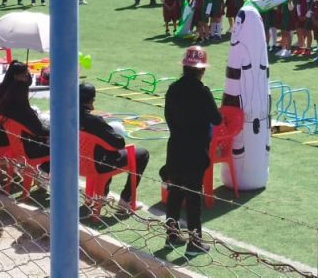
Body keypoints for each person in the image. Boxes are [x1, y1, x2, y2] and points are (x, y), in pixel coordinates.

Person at [163, 46, 222, 255]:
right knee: (194, 196)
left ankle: (171, 233)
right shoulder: (202, 91)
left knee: (175, 191)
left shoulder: (173, 88)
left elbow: (168, 117)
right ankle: (194, 242)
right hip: (196, 150)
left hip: (176, 146)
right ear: (202, 69)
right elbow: (217, 119)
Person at [78, 82, 150, 216]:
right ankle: (126, 199)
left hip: (77, 163)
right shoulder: (95, 121)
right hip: (98, 165)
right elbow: (118, 143)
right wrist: (111, 129)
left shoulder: (67, 116)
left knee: (104, 150)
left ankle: (102, 195)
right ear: (91, 100)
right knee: (142, 154)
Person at [0, 61, 49, 168]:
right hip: (21, 147)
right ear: (16, 76)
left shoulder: (4, 91)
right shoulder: (20, 106)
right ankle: (44, 172)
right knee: (53, 141)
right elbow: (39, 130)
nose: (27, 77)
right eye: (25, 75)